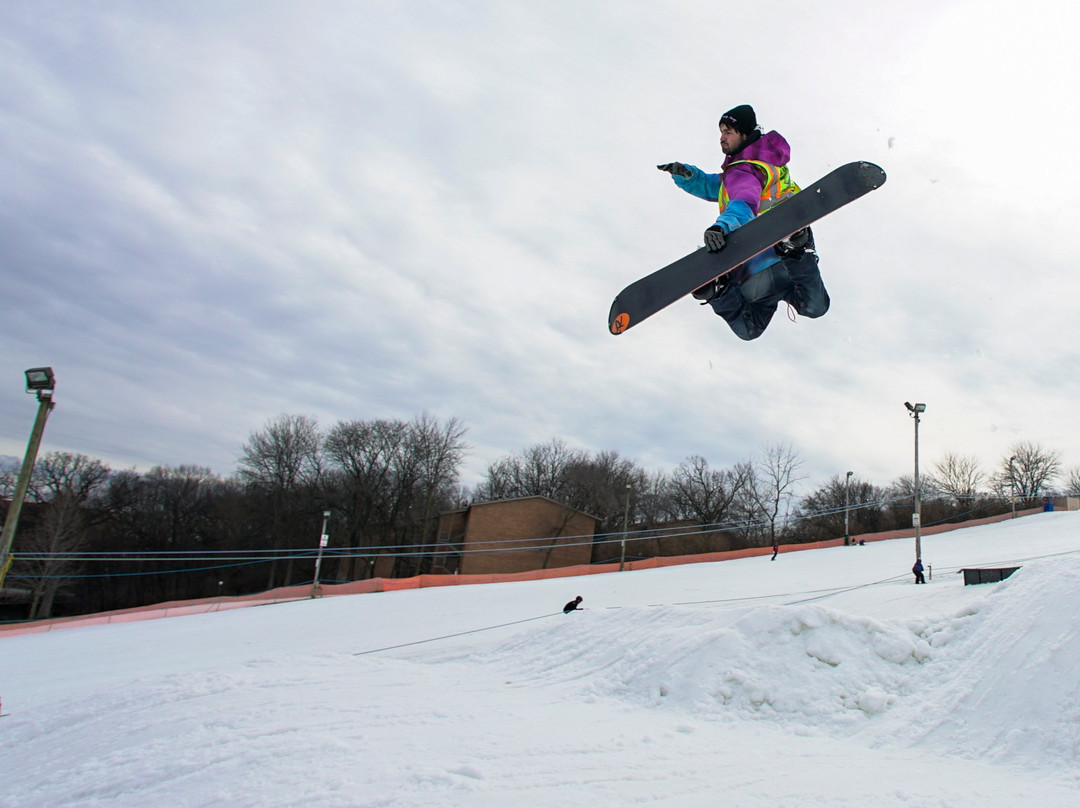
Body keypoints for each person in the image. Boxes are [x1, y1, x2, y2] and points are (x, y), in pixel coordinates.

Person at [657, 104, 829, 341]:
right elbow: (715, 186)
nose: (721, 138)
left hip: (756, 268)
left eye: (728, 131)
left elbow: (743, 201)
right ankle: (795, 245)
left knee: (748, 328)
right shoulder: (767, 167)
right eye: (721, 132)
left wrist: (722, 226)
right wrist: (687, 175)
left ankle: (720, 291)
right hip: (788, 264)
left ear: (745, 133)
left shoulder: (742, 171)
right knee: (814, 307)